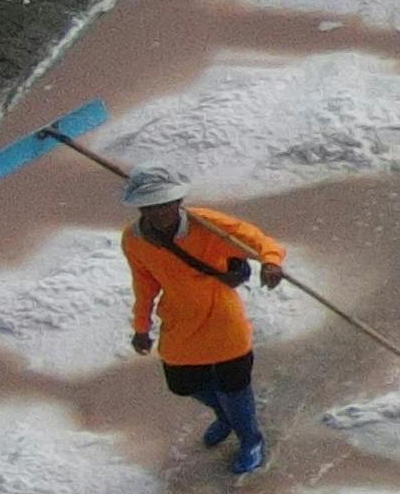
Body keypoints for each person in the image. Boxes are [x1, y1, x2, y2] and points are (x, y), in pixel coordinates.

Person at [121, 191, 294, 479]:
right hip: (179, 321)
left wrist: (271, 261)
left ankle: (250, 439)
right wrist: (141, 326)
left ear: (178, 202)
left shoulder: (207, 224)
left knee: (233, 385)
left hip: (223, 318)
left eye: (166, 205)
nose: (160, 213)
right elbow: (144, 284)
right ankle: (225, 415)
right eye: (151, 207)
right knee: (182, 382)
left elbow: (256, 240)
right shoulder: (134, 239)